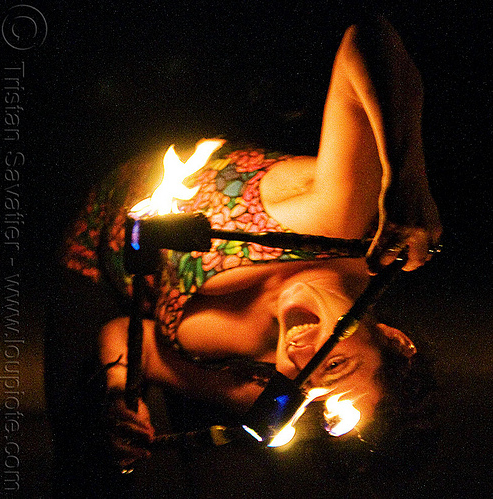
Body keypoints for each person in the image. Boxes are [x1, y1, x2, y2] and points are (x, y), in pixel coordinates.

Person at [60, 15, 441, 472]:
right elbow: (369, 38)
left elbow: (120, 333)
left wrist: (123, 394)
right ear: (393, 341)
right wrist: (407, 180)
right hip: (119, 123)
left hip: (86, 255)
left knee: (87, 458)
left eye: (307, 390)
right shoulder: (336, 227)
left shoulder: (257, 387)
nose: (303, 361)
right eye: (337, 366)